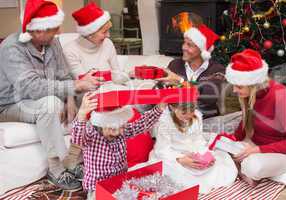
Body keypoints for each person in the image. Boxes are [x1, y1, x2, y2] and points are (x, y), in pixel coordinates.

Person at [0, 0, 101, 190]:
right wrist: (73, 87)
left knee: (88, 97)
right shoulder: (11, 48)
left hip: (42, 96)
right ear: (38, 30)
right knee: (50, 104)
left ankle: (82, 159)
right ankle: (56, 169)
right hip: (10, 104)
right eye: (54, 28)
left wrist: (71, 97)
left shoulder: (52, 43)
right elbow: (32, 88)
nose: (59, 32)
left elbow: (65, 76)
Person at [71, 84, 166, 200]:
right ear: (102, 124)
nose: (118, 132)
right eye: (113, 129)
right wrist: (81, 115)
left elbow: (142, 124)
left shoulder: (122, 130)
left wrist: (160, 107)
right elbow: (77, 139)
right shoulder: (91, 134)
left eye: (121, 127)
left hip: (120, 181)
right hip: (97, 186)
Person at [225, 49, 286, 186]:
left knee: (254, 166)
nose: (234, 90)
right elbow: (245, 123)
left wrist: (257, 151)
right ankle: (244, 168)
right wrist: (229, 141)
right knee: (225, 149)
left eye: (239, 86)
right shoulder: (251, 95)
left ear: (254, 83)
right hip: (258, 147)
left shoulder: (282, 97)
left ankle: (246, 169)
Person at [139, 102, 237, 194]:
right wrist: (180, 159)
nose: (189, 115)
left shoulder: (196, 117)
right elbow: (162, 150)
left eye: (192, 110)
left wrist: (205, 155)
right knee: (172, 172)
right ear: (173, 108)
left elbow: (198, 140)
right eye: (184, 112)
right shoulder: (164, 122)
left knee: (217, 165)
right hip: (171, 155)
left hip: (192, 152)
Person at [159, 25, 226, 119]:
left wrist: (180, 81)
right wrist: (155, 76)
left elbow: (210, 95)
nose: (183, 48)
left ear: (202, 50)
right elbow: (161, 92)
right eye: (184, 43)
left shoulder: (217, 69)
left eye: (189, 45)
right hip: (176, 120)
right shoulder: (175, 65)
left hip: (205, 120)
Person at [64, 2, 129, 84]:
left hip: (111, 90)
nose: (108, 35)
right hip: (89, 94)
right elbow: (84, 83)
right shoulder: (70, 51)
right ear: (89, 34)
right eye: (104, 32)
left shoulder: (107, 43)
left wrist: (131, 75)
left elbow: (116, 77)